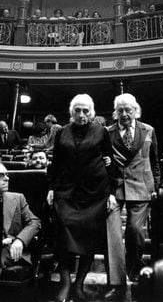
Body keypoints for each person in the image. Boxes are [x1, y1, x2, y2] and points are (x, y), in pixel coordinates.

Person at [47, 94, 114, 302]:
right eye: (77, 110)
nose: (81, 114)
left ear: (92, 112)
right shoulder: (61, 132)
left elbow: (110, 162)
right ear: (71, 112)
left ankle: (79, 285)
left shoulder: (101, 131)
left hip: (95, 193)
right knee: (63, 234)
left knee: (90, 238)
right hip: (66, 192)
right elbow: (55, 164)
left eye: (86, 110)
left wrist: (111, 193)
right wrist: (51, 188)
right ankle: (66, 283)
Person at [105, 93, 160, 299]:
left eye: (128, 109)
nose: (125, 114)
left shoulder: (148, 130)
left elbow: (154, 161)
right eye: (120, 110)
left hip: (142, 186)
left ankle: (134, 268)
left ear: (135, 110)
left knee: (136, 231)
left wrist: (155, 185)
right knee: (113, 235)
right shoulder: (107, 132)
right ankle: (116, 282)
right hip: (115, 188)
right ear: (115, 113)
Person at [0, 162, 40, 275]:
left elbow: (34, 222)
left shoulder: (18, 198)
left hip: (11, 248)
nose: (7, 178)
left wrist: (20, 240)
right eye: (1, 175)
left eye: (7, 175)